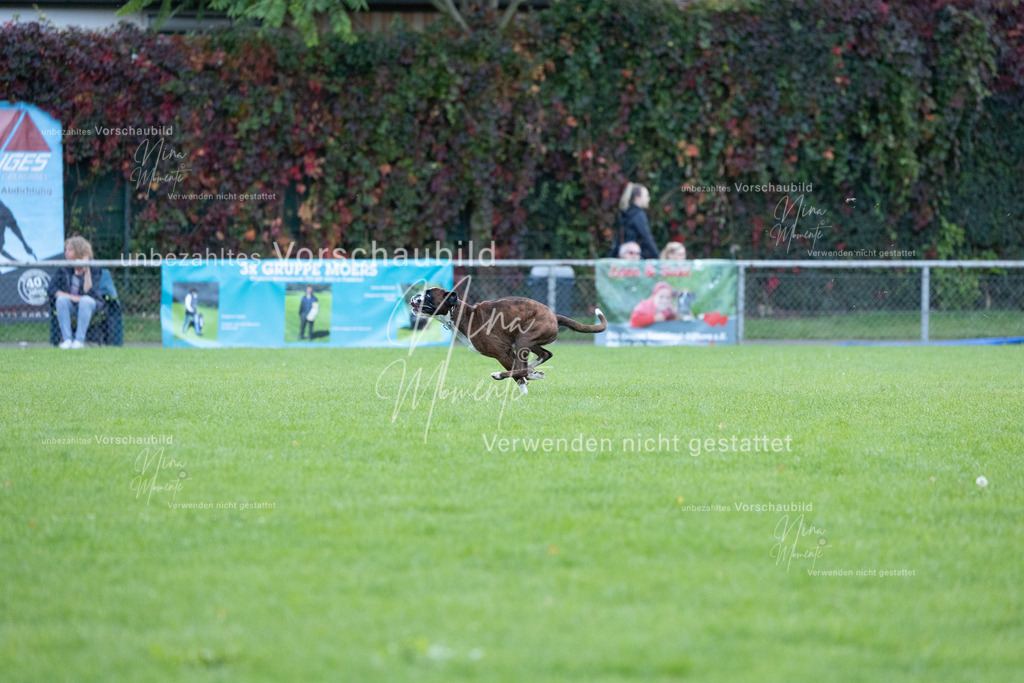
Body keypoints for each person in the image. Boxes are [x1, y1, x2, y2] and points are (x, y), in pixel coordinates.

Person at [48, 236, 102, 349]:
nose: (66, 253)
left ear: (78, 251)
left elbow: (90, 292)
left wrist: (87, 270)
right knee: (61, 300)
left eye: (70, 250)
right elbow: (52, 289)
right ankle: (67, 340)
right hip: (71, 304)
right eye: (66, 250)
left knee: (85, 301)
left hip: (88, 304)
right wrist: (71, 297)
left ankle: (79, 341)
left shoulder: (94, 267)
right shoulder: (64, 267)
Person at [609, 182, 659, 259]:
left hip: (624, 255)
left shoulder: (626, 214)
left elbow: (619, 239)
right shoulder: (638, 215)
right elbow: (647, 237)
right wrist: (657, 257)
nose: (648, 199)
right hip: (635, 256)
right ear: (637, 198)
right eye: (646, 196)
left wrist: (610, 257)